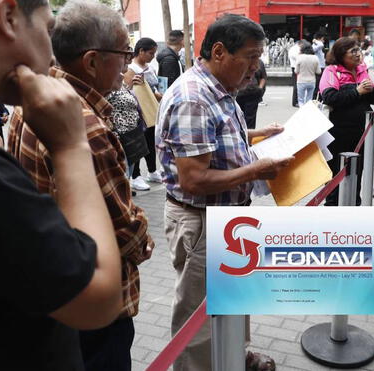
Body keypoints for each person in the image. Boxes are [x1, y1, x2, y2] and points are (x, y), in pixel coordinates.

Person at [0, 0, 123, 369]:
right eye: (48, 30)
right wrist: (71, 147)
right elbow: (97, 297)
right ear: (9, 16)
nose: (52, 54)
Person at [8, 2, 154, 370]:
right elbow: (125, 231)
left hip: (51, 283)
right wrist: (145, 239)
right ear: (91, 61)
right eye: (122, 54)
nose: (126, 63)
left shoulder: (39, 98)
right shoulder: (86, 126)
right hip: (95, 301)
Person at [157, 13, 293, 371]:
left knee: (234, 297)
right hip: (202, 221)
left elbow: (218, 138)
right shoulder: (194, 98)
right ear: (219, 51)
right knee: (198, 315)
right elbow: (194, 179)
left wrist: (258, 134)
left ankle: (234, 355)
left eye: (259, 56)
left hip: (229, 217)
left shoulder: (220, 88)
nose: (256, 66)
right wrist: (256, 170)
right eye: (250, 56)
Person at [319, 37, 374, 206]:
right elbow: (330, 97)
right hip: (338, 134)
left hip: (362, 133)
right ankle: (333, 206)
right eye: (353, 51)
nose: (358, 54)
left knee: (357, 171)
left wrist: (371, 89)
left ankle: (353, 204)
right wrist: (357, 91)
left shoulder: (362, 69)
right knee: (336, 172)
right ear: (340, 54)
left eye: (358, 49)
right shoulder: (331, 71)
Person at [125, 37, 163, 191]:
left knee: (150, 142)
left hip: (150, 109)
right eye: (150, 53)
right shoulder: (130, 68)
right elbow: (125, 88)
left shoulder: (149, 67)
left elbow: (154, 88)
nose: (152, 56)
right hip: (136, 112)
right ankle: (136, 176)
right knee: (138, 143)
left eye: (154, 53)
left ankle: (152, 170)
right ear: (141, 51)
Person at [236, 59, 267, 129]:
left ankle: (250, 136)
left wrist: (260, 88)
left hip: (253, 93)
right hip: (239, 94)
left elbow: (263, 77)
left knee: (250, 119)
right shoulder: (238, 59)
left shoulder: (259, 62)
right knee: (238, 117)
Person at [295, 41, 321, 106]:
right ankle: (308, 112)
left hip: (301, 81)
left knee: (301, 100)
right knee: (309, 100)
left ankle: (302, 112)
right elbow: (318, 71)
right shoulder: (315, 57)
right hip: (312, 81)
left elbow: (296, 71)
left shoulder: (300, 57)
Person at [312, 33, 326, 100]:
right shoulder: (315, 46)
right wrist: (315, 41)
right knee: (317, 84)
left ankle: (320, 98)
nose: (323, 41)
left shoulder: (318, 47)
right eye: (322, 39)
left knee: (321, 84)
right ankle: (314, 99)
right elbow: (321, 44)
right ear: (318, 39)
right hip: (318, 67)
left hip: (322, 67)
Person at [288, 39, 301, 107]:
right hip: (296, 66)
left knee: (296, 84)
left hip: (293, 66)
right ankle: (295, 101)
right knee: (297, 84)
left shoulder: (292, 49)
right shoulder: (296, 49)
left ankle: (296, 101)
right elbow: (297, 57)